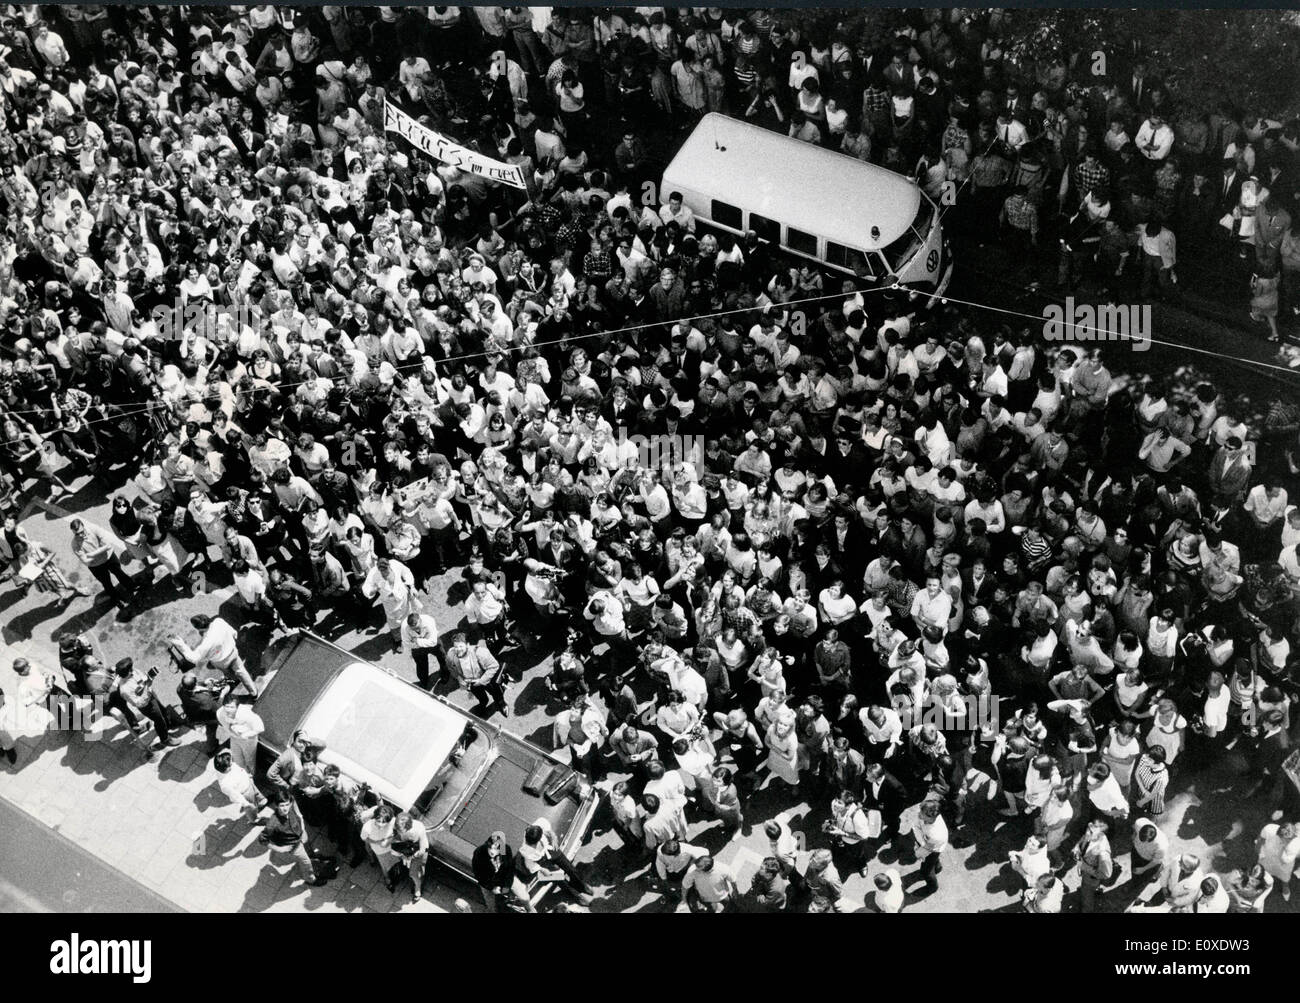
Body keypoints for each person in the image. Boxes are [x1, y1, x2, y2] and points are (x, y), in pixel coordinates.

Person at [170, 616, 257, 696]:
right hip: (233, 652)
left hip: (221, 661)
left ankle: (232, 680)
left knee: (227, 673)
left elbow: (194, 658)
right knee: (241, 671)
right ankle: (253, 693)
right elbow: (234, 633)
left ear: (199, 628)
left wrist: (180, 644)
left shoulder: (207, 643)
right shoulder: (219, 621)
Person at [260, 793, 331, 887]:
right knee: (306, 863)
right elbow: (262, 839)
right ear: (276, 806)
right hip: (293, 846)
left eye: (287, 804)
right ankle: (310, 879)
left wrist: (301, 819)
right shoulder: (273, 823)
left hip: (301, 834)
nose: (285, 808)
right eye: (282, 805)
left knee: (308, 848)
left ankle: (313, 856)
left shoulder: (290, 806)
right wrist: (279, 849)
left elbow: (292, 799)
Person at [473, 831, 535, 913]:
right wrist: (492, 888)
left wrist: (506, 887)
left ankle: (529, 909)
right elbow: (480, 876)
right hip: (488, 882)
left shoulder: (506, 850)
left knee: (524, 897)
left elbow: (509, 869)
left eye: (496, 848)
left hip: (504, 878)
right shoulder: (479, 854)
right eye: (490, 847)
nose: (492, 851)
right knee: (492, 907)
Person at [214, 748, 267, 824]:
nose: (233, 763)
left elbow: (238, 770)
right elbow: (236, 795)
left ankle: (260, 802)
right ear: (226, 768)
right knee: (251, 807)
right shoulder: (225, 784)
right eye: (231, 764)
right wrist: (246, 804)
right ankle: (254, 819)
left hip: (248, 783)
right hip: (245, 793)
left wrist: (248, 776)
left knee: (256, 794)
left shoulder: (226, 767)